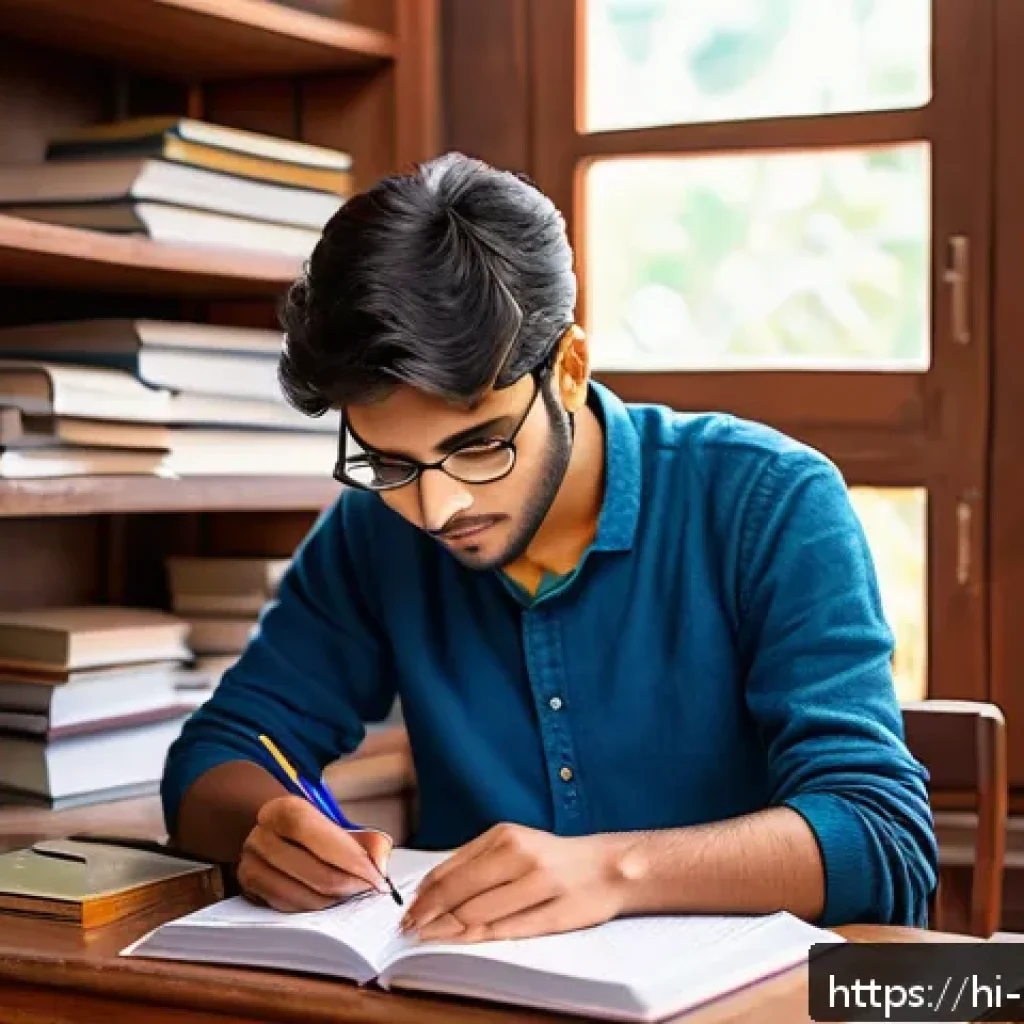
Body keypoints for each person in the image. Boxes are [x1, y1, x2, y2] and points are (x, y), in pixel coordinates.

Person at [162, 152, 938, 943]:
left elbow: (881, 839)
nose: (436, 507)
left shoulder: (769, 501)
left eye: (479, 446)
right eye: (389, 462)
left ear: (568, 370)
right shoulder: (374, 529)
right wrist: (264, 826)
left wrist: (612, 872)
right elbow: (221, 750)